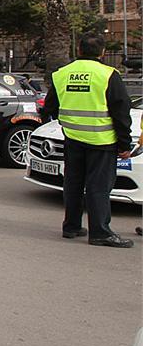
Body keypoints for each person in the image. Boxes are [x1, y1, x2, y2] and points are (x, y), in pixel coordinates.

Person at [43, 34, 135, 248]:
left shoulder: (62, 74)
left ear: (79, 51)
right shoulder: (108, 74)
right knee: (98, 186)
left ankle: (71, 226)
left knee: (73, 183)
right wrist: (124, 144)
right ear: (102, 53)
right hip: (102, 140)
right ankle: (100, 232)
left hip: (72, 138)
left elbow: (49, 107)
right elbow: (121, 111)